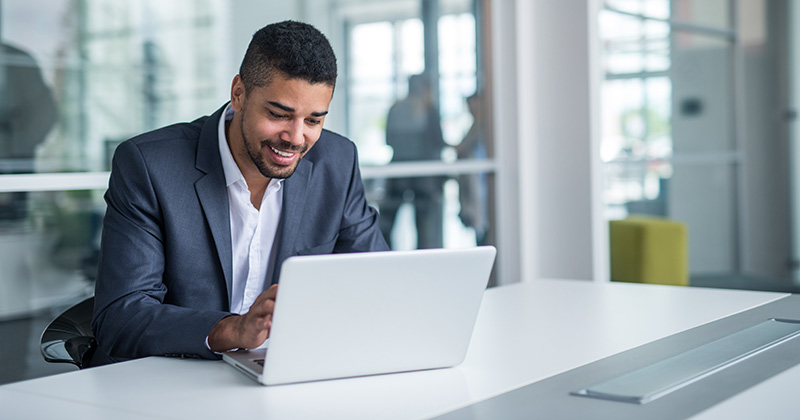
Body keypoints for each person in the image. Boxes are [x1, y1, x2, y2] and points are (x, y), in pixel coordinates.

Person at [91, 20, 389, 364]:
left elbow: (375, 282)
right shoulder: (150, 166)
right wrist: (233, 330)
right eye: (279, 114)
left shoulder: (337, 162)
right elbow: (120, 317)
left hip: (281, 375)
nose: (295, 137)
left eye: (314, 121)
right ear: (239, 94)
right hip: (166, 377)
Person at [379, 74, 446, 249]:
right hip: (422, 175)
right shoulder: (428, 109)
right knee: (423, 223)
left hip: (397, 170)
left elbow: (388, 140)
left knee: (387, 221)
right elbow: (437, 142)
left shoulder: (395, 108)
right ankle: (424, 263)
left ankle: (385, 257)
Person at [455, 92, 489, 245]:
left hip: (480, 181)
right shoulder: (474, 126)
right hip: (473, 181)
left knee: (480, 218)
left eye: (472, 105)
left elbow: (467, 148)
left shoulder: (484, 126)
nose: (470, 109)